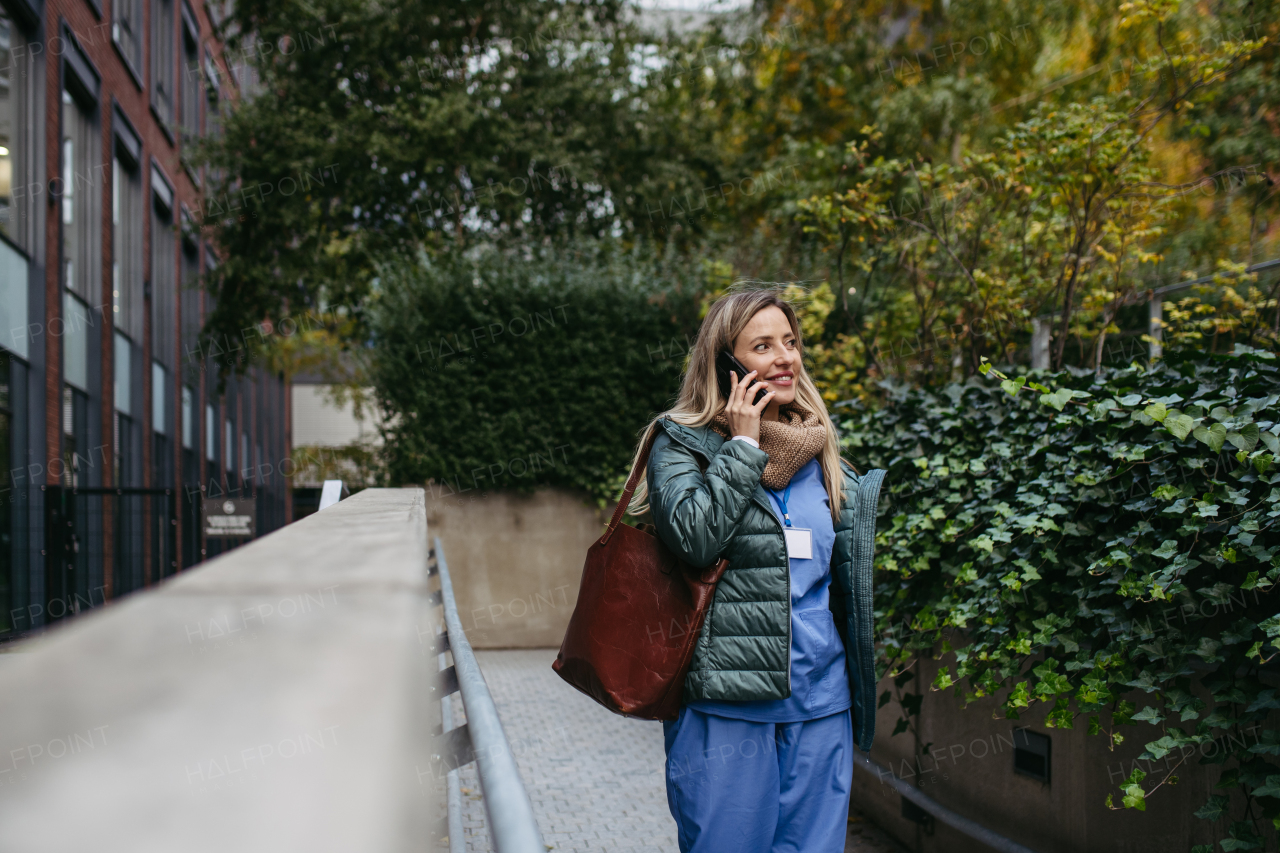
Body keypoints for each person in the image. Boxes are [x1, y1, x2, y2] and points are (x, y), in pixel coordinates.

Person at [623, 288, 886, 853]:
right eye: (763, 345)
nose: (785, 357)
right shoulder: (681, 444)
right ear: (725, 361)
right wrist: (742, 447)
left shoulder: (818, 448)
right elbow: (695, 539)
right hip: (727, 705)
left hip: (820, 703)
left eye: (789, 342)